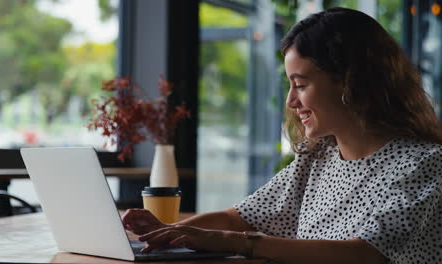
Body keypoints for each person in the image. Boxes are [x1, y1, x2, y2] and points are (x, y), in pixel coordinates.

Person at [122, 7, 442, 264]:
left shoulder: (424, 165)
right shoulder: (317, 157)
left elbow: (363, 253)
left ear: (351, 82)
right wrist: (168, 233)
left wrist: (237, 244)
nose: (291, 101)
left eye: (300, 85)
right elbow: (239, 218)